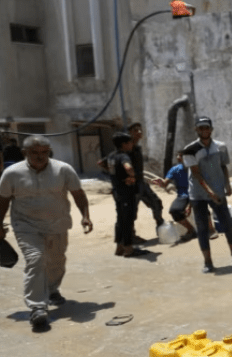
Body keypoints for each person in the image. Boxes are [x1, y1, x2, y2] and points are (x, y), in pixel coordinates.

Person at [0, 135, 93, 329]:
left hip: (57, 224)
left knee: (56, 260)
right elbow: (3, 200)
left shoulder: (63, 169)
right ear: (24, 153)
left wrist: (85, 216)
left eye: (44, 152)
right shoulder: (12, 173)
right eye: (34, 152)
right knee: (36, 258)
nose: (40, 156)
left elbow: (78, 193)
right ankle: (37, 307)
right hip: (26, 226)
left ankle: (51, 290)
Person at [182, 116, 232, 273]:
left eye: (207, 127)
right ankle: (208, 261)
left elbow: (223, 166)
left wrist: (227, 185)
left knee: (227, 223)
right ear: (196, 130)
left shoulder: (221, 147)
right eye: (201, 128)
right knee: (202, 228)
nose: (204, 130)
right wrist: (210, 193)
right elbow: (196, 174)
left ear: (211, 129)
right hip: (198, 194)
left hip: (218, 191)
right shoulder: (189, 150)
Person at [108, 132, 150, 258]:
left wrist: (116, 177)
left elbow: (103, 164)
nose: (132, 144)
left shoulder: (111, 156)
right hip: (126, 192)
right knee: (127, 221)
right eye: (130, 142)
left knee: (120, 219)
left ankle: (119, 248)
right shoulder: (123, 156)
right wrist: (132, 176)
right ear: (124, 144)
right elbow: (128, 168)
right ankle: (129, 249)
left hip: (117, 191)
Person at [127, 122, 165, 236]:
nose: (139, 132)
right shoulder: (126, 148)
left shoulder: (138, 148)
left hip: (141, 183)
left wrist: (148, 180)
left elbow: (138, 169)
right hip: (131, 186)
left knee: (156, 203)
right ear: (129, 133)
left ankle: (161, 228)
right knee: (131, 211)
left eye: (140, 130)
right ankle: (131, 236)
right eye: (135, 130)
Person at [153, 150, 197, 243]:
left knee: (204, 208)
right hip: (183, 195)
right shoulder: (175, 169)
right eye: (177, 155)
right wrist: (161, 182)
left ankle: (211, 230)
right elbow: (165, 183)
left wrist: (190, 206)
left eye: (180, 155)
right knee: (174, 211)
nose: (177, 157)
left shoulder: (194, 168)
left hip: (197, 194)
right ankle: (191, 230)